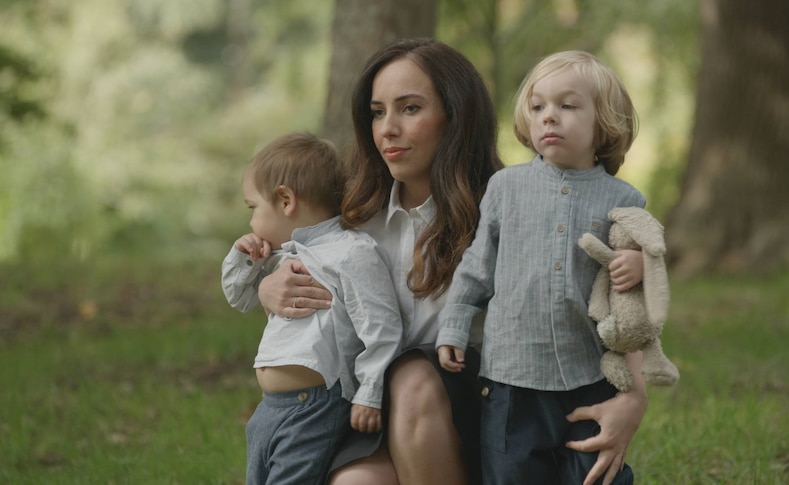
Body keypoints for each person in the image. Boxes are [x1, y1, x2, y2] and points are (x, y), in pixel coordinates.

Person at [258, 39, 646, 485]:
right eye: (377, 111)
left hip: (482, 410)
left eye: (409, 109)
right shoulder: (351, 217)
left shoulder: (509, 203)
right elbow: (277, 252)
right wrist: (271, 285)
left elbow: (611, 296)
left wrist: (633, 399)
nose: (387, 128)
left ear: (455, 116)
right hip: (363, 410)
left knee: (414, 379)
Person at [436, 50, 649, 485]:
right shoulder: (505, 188)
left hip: (588, 373)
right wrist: (455, 324)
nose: (549, 117)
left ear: (602, 123)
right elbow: (478, 267)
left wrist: (640, 264)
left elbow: (640, 294)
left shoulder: (624, 201)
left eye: (568, 106)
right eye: (538, 107)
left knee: (595, 474)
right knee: (513, 474)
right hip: (513, 377)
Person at [221, 132, 402, 485]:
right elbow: (237, 296)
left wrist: (369, 392)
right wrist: (242, 259)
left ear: (285, 199)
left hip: (314, 406)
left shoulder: (351, 252)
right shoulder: (280, 257)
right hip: (271, 408)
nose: (251, 222)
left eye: (253, 208)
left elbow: (381, 327)